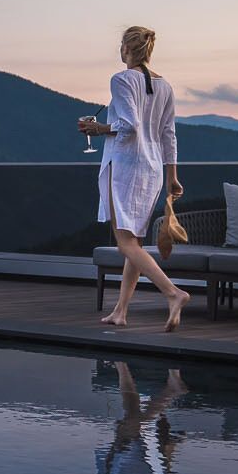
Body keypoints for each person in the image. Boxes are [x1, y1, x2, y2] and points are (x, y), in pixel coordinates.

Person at [79, 25, 189, 330]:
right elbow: (169, 135)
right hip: (152, 169)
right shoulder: (165, 86)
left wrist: (97, 129)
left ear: (126, 49)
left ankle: (173, 293)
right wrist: (173, 176)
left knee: (125, 243)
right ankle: (121, 311)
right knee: (135, 242)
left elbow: (129, 127)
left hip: (127, 166)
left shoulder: (122, 79)